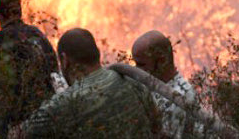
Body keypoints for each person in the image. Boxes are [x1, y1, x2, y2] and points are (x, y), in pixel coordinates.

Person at [12, 28, 161, 138]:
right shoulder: (133, 82)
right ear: (97, 53)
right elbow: (156, 127)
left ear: (64, 60)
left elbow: (20, 135)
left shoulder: (63, 103)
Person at [0, 0, 59, 133]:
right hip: (48, 112)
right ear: (20, 10)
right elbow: (54, 68)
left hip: (17, 121)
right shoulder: (37, 33)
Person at [132, 30, 201, 139]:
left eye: (141, 64)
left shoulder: (177, 99)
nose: (136, 69)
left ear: (162, 61)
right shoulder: (156, 87)